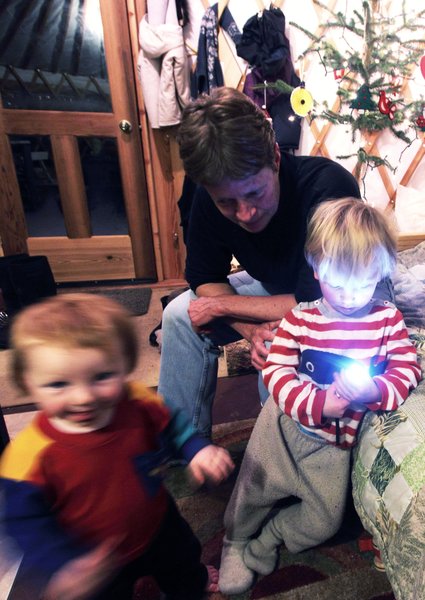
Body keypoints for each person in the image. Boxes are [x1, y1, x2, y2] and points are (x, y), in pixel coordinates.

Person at [158, 86, 393, 439]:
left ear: (276, 160)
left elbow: (314, 301)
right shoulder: (208, 195)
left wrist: (223, 306)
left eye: (255, 193)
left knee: (281, 346)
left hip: (345, 294)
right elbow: (205, 277)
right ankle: (183, 447)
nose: (245, 213)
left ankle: (284, 455)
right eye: (227, 203)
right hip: (280, 288)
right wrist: (248, 329)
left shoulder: (327, 187)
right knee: (178, 315)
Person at [218, 198, 421, 594]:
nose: (349, 297)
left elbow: (407, 369)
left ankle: (271, 536)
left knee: (323, 521)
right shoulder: (300, 320)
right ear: (315, 267)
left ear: (380, 274)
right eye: (337, 283)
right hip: (283, 429)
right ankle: (235, 541)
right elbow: (276, 372)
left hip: (335, 447)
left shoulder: (387, 320)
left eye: (363, 284)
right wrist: (319, 403)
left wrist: (374, 389)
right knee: (251, 492)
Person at [0, 293, 234, 600]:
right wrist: (60, 564)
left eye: (101, 377)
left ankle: (192, 581)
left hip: (157, 519)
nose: (84, 397)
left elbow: (170, 424)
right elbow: (24, 521)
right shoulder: (27, 457)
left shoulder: (136, 400)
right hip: (91, 558)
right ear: (28, 382)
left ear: (124, 366)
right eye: (58, 384)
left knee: (181, 559)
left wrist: (196, 448)